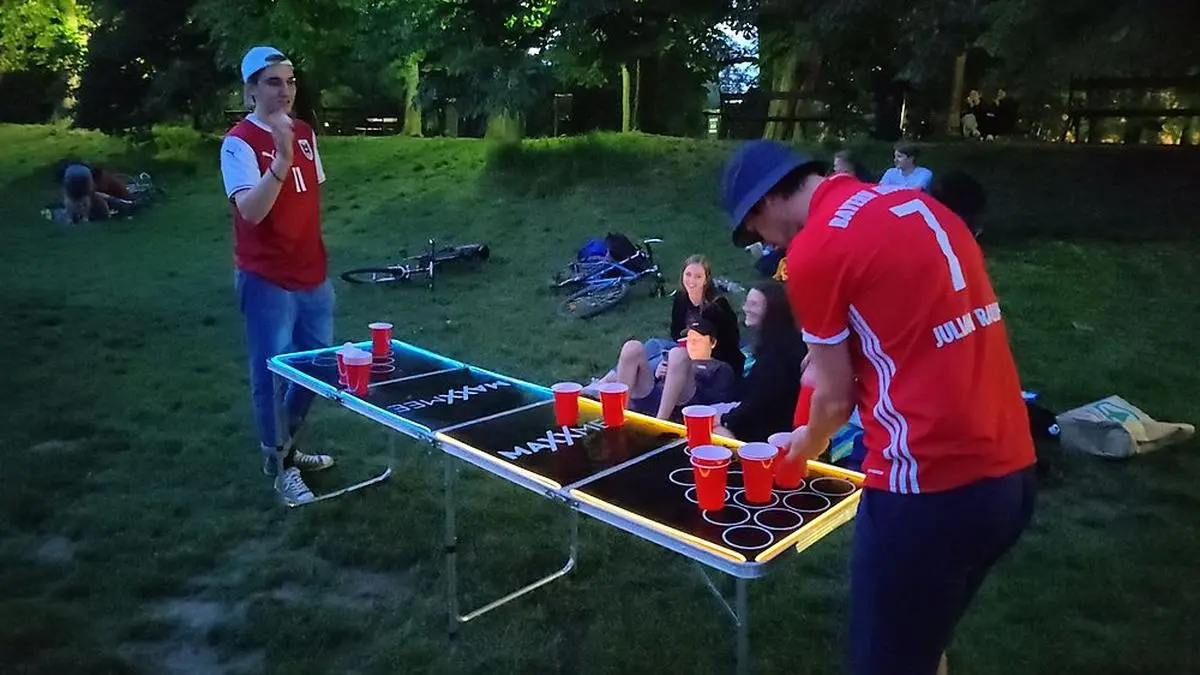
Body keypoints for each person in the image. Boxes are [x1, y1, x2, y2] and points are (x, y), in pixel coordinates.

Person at [719, 140, 1037, 675]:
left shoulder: (816, 249)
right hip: (1010, 476)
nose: (760, 240)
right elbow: (913, 332)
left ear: (767, 200)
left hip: (925, 486)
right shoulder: (918, 206)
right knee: (922, 644)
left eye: (753, 226)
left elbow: (833, 396)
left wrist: (805, 444)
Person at [220, 45, 338, 505]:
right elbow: (250, 211)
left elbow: (308, 200)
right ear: (251, 89)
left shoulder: (304, 132)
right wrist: (280, 160)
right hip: (267, 278)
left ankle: (281, 448)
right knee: (269, 375)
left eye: (290, 81)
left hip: (313, 274)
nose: (284, 91)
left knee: (317, 367)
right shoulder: (239, 142)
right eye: (273, 82)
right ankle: (282, 464)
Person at [587, 318, 737, 421]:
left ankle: (660, 422)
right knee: (632, 347)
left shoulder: (720, 367)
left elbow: (719, 403)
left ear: (712, 343)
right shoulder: (675, 356)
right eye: (689, 340)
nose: (691, 344)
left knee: (677, 354)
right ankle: (619, 412)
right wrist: (657, 373)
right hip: (655, 396)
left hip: (685, 404)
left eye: (697, 340)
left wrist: (686, 371)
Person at [713, 281, 807, 442]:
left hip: (772, 430)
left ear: (772, 310)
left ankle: (737, 456)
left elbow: (760, 402)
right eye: (747, 302)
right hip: (773, 416)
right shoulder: (784, 338)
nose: (746, 308)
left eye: (754, 304)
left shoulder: (777, 352)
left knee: (709, 425)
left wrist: (725, 420)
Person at [666, 254, 745, 378]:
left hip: (716, 360)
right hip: (688, 352)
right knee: (652, 349)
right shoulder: (681, 298)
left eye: (698, 276)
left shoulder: (717, 305)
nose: (691, 281)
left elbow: (729, 343)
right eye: (688, 275)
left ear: (706, 280)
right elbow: (675, 331)